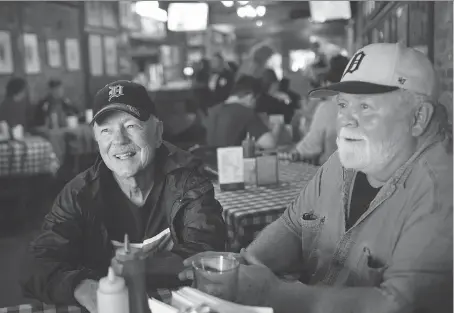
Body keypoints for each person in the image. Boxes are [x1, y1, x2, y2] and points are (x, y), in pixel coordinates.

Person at [180, 43, 453, 313]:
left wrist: (271, 293)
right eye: (343, 104)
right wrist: (244, 266)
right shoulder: (343, 163)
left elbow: (398, 304)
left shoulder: (441, 191)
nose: (347, 119)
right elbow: (293, 226)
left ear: (419, 117)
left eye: (365, 107)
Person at [22, 81, 227, 311]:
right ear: (97, 139)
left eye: (131, 126)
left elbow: (209, 251)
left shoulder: (188, 184)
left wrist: (143, 268)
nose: (119, 140)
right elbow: (38, 263)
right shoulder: (79, 194)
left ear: (158, 132)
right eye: (106, 130)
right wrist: (80, 286)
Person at [282, 55, 350, 165]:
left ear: (328, 84)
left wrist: (291, 154)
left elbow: (311, 146)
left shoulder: (328, 108)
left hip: (337, 174)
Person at [205, 75, 282, 149]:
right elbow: (270, 143)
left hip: (211, 161)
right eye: (256, 101)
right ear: (250, 97)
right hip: (233, 161)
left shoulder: (213, 110)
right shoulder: (245, 112)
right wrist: (277, 127)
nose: (255, 106)